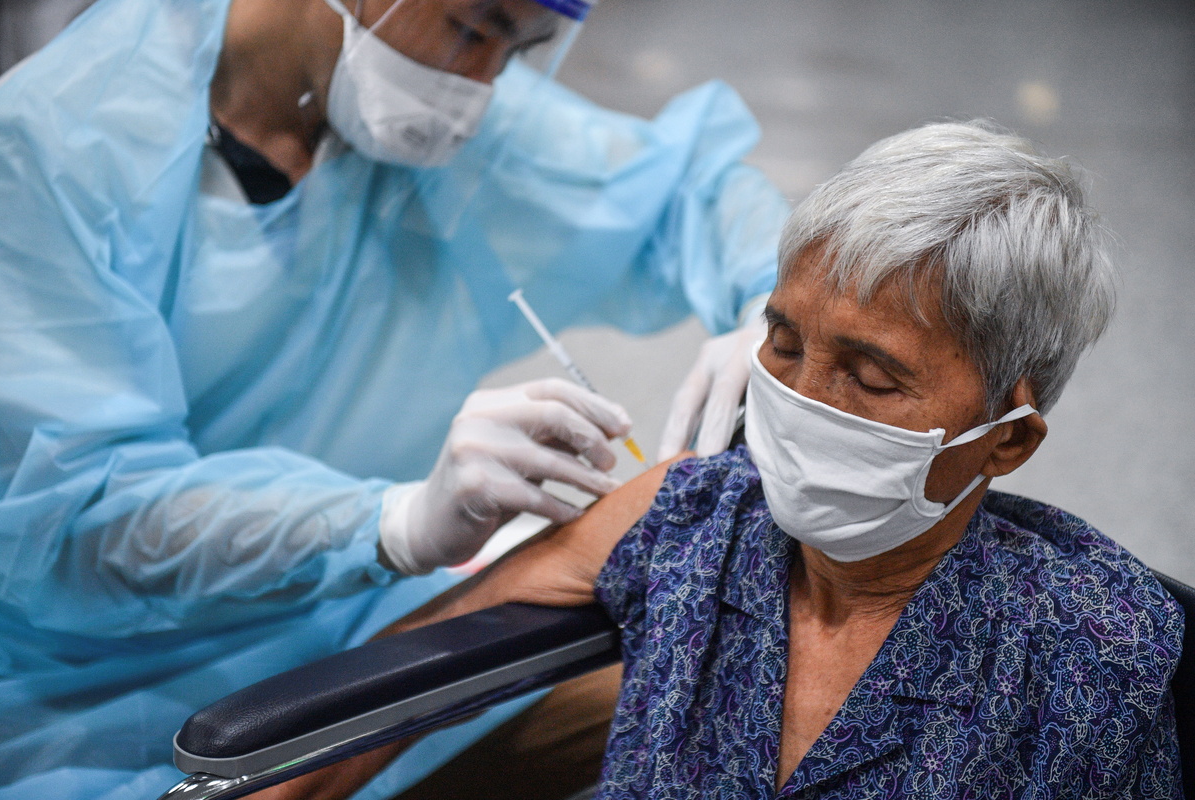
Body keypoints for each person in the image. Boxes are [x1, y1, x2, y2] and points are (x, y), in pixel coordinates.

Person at [0, 0, 789, 797]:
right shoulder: (49, 148)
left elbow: (687, 193)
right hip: (87, 693)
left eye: (519, 50)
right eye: (472, 30)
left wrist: (777, 310)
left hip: (361, 627)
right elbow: (77, 511)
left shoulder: (428, 106)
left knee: (735, 698)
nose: (479, 89)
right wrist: (388, 523)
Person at [377, 121, 1185, 798]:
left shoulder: (1086, 653)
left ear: (1006, 439)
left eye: (872, 378)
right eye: (784, 343)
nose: (803, 401)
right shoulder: (694, 520)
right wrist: (398, 526)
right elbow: (391, 687)